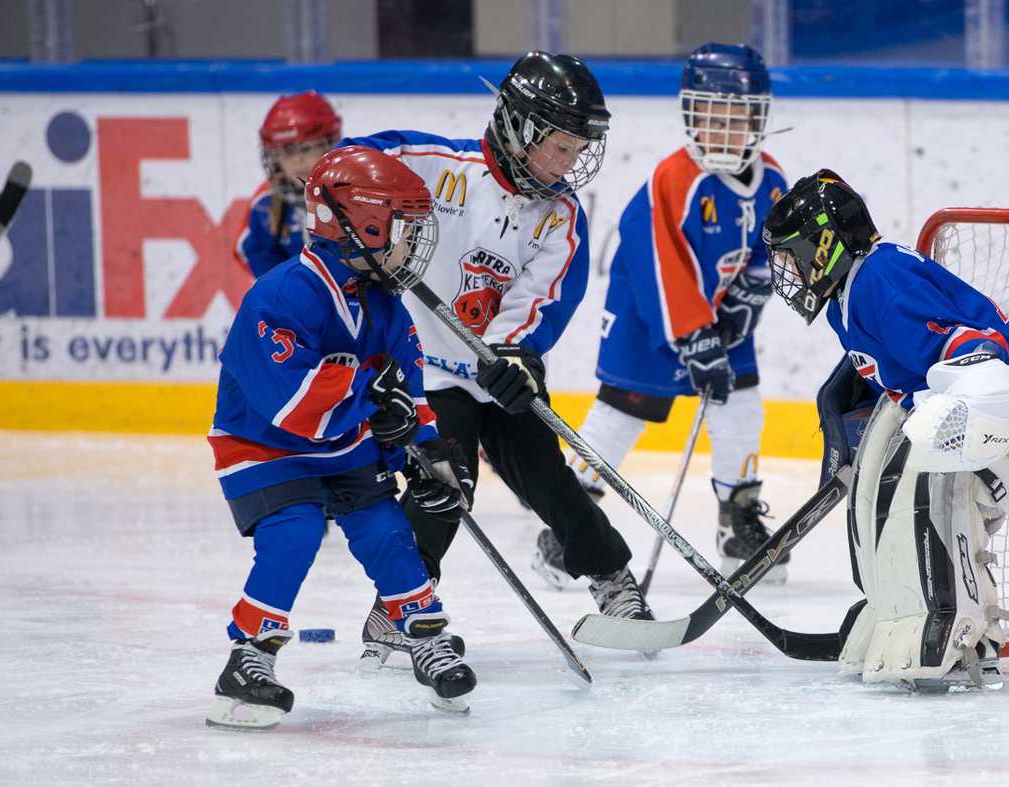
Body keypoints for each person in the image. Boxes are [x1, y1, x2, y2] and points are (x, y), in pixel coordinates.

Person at [341, 51, 653, 667]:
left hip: (495, 372)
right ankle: (398, 606)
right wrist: (353, 205)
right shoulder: (436, 167)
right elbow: (350, 167)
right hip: (425, 369)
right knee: (445, 484)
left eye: (575, 151)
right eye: (557, 147)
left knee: (549, 478)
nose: (567, 164)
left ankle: (612, 578)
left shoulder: (560, 217)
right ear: (517, 125)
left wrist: (516, 357)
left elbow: (544, 302)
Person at [205, 146, 475, 728]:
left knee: (387, 531)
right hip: (266, 448)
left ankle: (423, 637)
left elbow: (410, 391)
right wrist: (371, 401)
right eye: (405, 230)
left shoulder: (387, 305)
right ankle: (248, 657)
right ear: (365, 224)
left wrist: (427, 452)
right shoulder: (279, 296)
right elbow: (289, 403)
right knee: (295, 531)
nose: (413, 246)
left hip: (342, 445)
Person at [762, 170, 1009, 693]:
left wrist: (963, 410)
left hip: (984, 431)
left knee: (921, 497)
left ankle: (963, 634)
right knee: (875, 503)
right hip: (945, 426)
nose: (790, 273)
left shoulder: (880, 277)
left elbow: (972, 348)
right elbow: (903, 368)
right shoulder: (851, 292)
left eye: (794, 256)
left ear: (825, 241)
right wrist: (842, 410)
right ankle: (896, 614)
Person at [552, 43, 790, 587]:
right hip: (646, 319)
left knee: (742, 407)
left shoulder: (772, 180)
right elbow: (659, 266)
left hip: (719, 316)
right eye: (710, 116)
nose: (722, 130)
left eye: (736, 118)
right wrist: (694, 337)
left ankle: (738, 523)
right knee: (619, 419)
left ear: (758, 119)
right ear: (691, 116)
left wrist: (748, 299)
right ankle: (565, 523)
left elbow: (769, 248)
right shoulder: (675, 180)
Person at [234, 91, 342, 278]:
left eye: (307, 149)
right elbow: (257, 256)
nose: (298, 161)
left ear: (330, 146)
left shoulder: (356, 194)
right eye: (287, 151)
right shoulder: (266, 205)